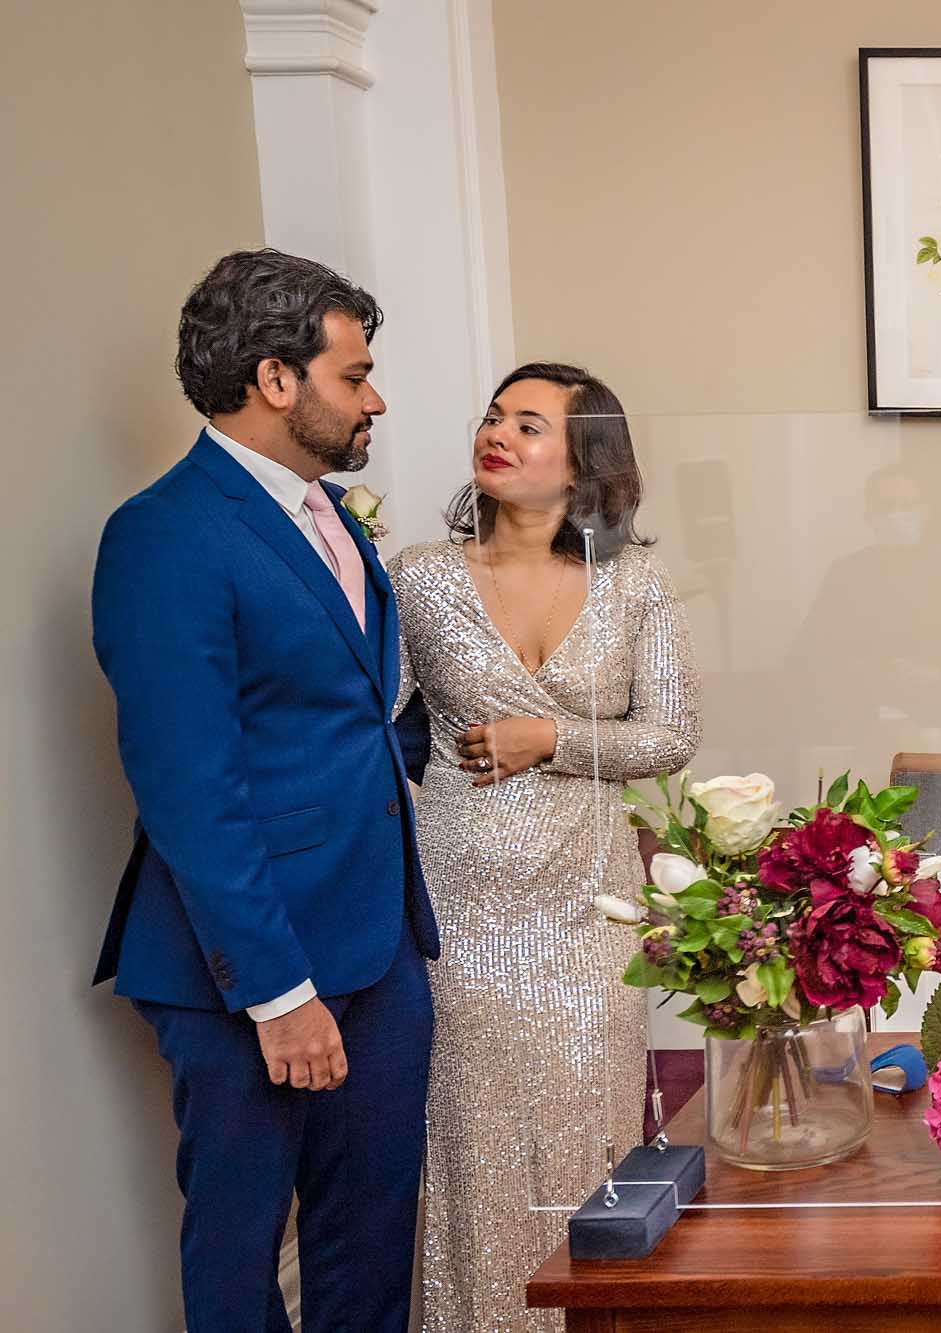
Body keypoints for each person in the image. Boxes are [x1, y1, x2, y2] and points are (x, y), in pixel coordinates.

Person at [92, 249, 437, 1331]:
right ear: (274, 380)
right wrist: (278, 994)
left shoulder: (329, 512)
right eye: (354, 373)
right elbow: (189, 785)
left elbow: (353, 710)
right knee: (242, 1253)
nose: (374, 396)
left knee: (371, 1234)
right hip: (246, 966)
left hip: (378, 941)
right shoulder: (166, 534)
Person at [389, 362, 701, 1331]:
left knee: (587, 1142)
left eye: (529, 424)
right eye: (493, 416)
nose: (498, 433)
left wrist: (551, 739)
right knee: (475, 1149)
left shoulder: (633, 583)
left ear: (582, 462)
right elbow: (357, 727)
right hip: (462, 911)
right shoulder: (417, 577)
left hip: (586, 911)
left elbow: (671, 736)